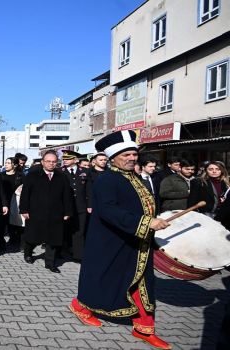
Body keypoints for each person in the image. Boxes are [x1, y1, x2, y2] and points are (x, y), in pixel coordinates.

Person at [69, 130, 172, 349]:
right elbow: (108, 210)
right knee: (103, 280)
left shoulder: (134, 177)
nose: (132, 158)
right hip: (112, 242)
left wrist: (154, 221)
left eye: (134, 154)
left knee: (143, 284)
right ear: (113, 157)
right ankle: (80, 306)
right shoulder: (107, 179)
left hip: (137, 241)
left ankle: (144, 329)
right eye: (126, 155)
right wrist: (145, 223)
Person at [20, 150, 73, 273]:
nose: (51, 164)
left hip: (56, 213)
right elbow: (25, 194)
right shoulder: (33, 175)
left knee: (53, 238)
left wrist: (67, 212)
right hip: (35, 212)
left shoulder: (62, 177)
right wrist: (24, 210)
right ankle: (28, 253)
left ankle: (50, 262)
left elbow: (67, 196)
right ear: (42, 162)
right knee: (33, 236)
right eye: (48, 161)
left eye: (54, 162)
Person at [61, 150, 92, 261]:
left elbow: (89, 190)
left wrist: (90, 205)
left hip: (81, 206)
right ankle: (64, 250)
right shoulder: (60, 171)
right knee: (65, 229)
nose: (65, 160)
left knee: (80, 230)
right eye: (64, 159)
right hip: (65, 206)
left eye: (68, 159)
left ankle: (78, 255)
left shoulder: (84, 172)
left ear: (75, 160)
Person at [0, 157, 24, 249]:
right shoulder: (1, 175)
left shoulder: (20, 175)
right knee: (3, 222)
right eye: (5, 163)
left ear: (15, 165)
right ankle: (2, 242)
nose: (6, 164)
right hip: (3, 202)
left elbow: (26, 187)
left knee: (15, 221)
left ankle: (16, 240)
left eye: (8, 163)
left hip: (16, 201)